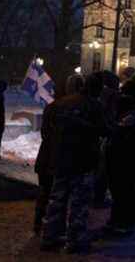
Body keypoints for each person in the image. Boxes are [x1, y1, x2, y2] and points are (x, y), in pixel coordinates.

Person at [41, 72, 107, 253]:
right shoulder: (94, 106)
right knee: (79, 203)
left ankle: (50, 236)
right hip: (83, 160)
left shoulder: (55, 106)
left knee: (57, 200)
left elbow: (46, 134)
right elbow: (104, 130)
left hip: (61, 160)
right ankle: (75, 239)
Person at [34, 74, 84, 235]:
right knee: (56, 196)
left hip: (48, 158)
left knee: (47, 194)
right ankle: (51, 230)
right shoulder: (67, 108)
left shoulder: (53, 107)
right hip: (56, 159)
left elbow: (45, 134)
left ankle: (42, 227)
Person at [105, 67, 135, 235]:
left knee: (123, 188)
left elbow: (123, 130)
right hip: (126, 152)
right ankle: (121, 218)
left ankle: (125, 220)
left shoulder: (134, 112)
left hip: (124, 152)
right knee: (122, 188)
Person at [93, 71, 120, 207]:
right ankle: (98, 197)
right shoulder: (112, 96)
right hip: (106, 135)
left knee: (99, 168)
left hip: (99, 135)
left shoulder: (99, 96)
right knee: (102, 169)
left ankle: (96, 196)